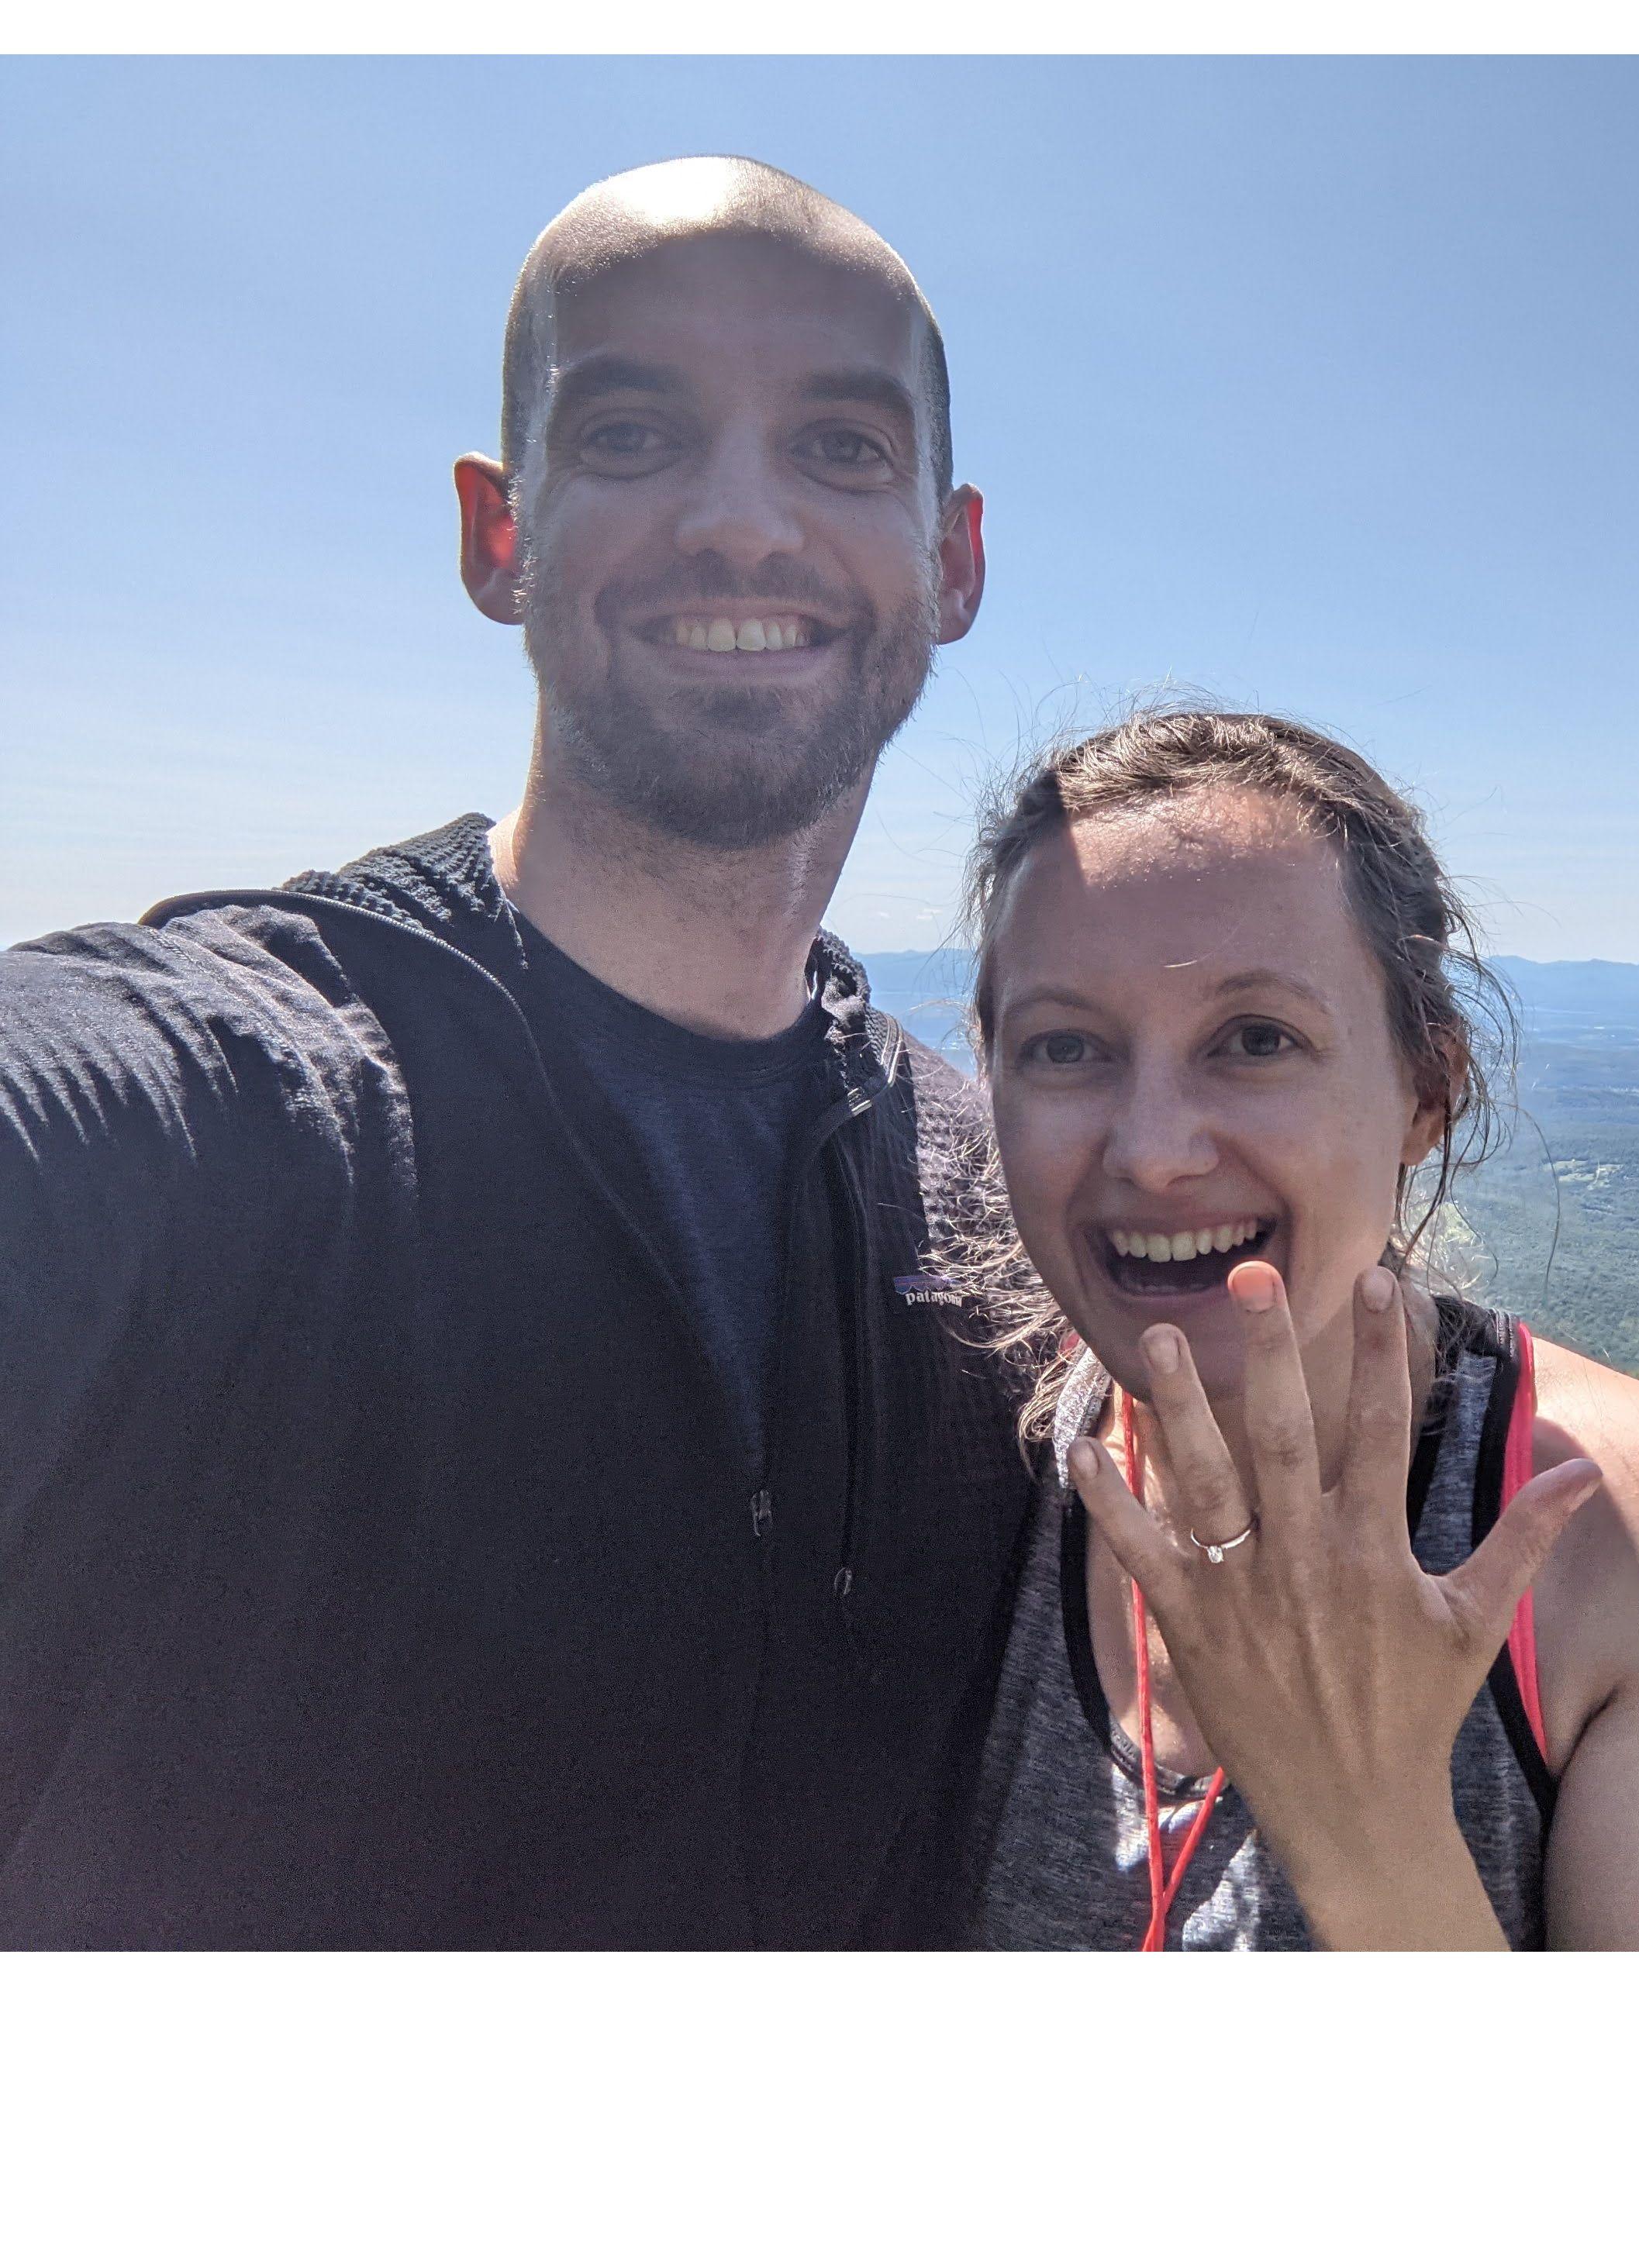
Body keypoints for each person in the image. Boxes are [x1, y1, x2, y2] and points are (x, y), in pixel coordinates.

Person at [0, 157, 1037, 1948]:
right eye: (633, 435)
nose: (741, 523)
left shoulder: (984, 1210)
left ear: (950, 562)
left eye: (842, 449)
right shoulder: (232, 1098)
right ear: (503, 535)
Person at [957, 709, 1639, 1949]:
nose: (1154, 1153)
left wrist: (1360, 1822)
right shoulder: (956, 1455)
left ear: (1428, 1092)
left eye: (1256, 1040)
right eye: (1063, 1048)